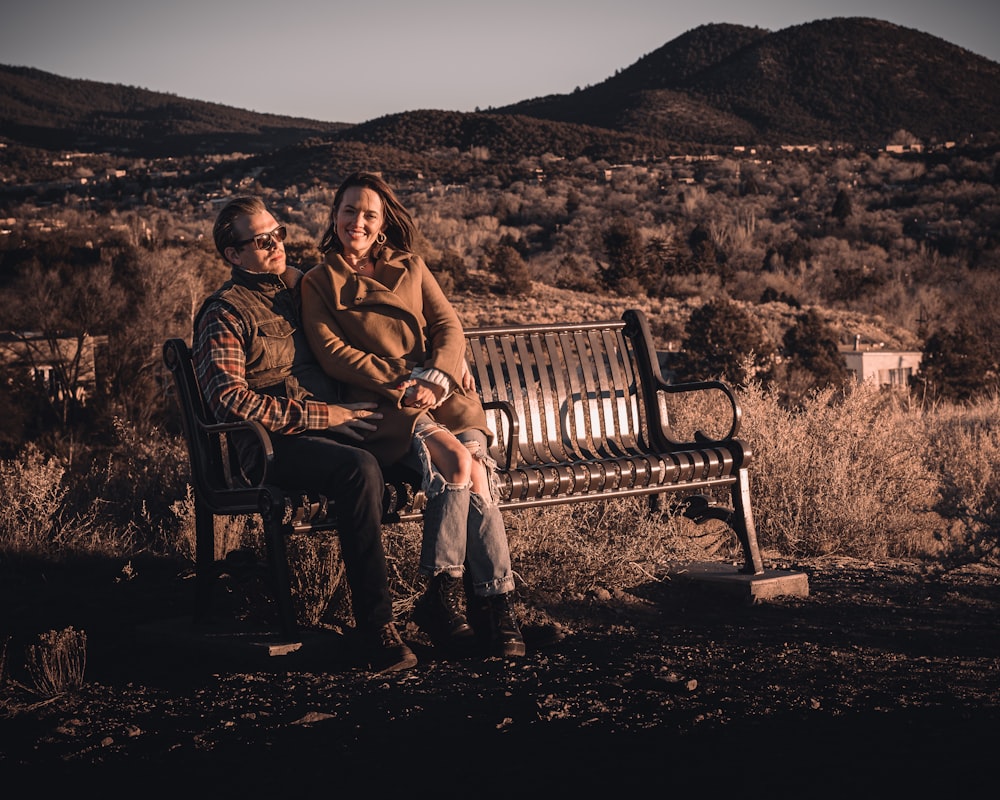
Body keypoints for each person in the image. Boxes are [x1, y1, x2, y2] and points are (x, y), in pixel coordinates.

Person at [300, 171, 525, 658]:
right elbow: (332, 353)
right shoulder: (319, 281)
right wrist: (404, 382)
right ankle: (464, 602)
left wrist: (442, 372)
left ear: (382, 224)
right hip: (390, 402)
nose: (357, 221)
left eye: (368, 214)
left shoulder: (412, 266)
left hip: (445, 394)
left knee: (478, 478)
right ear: (334, 216)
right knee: (460, 466)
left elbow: (448, 324)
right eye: (348, 211)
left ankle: (487, 606)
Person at [191, 196, 417, 674]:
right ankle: (376, 628)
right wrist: (326, 416)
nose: (276, 245)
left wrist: (443, 365)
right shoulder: (224, 313)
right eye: (260, 240)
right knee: (359, 469)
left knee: (430, 454)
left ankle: (463, 602)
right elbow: (230, 402)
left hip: (337, 427)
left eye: (278, 233)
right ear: (233, 255)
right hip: (274, 448)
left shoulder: (301, 290)